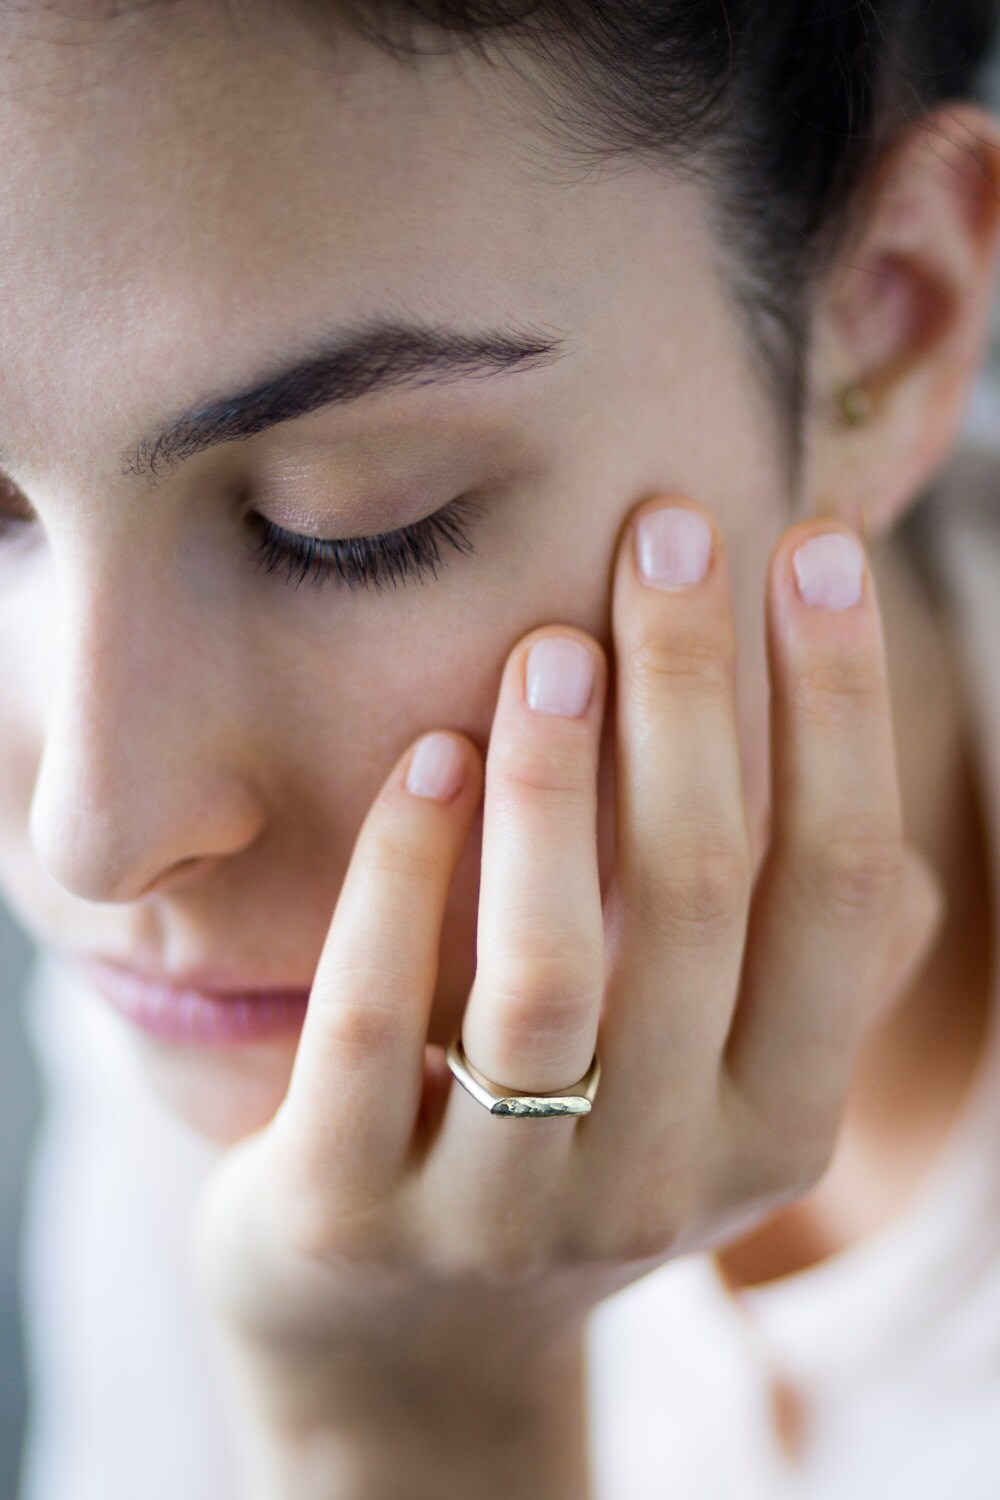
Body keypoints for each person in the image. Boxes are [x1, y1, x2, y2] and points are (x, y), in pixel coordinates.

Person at [2, 0, 1000, 1494]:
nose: (91, 835)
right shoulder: (231, 999)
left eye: (345, 525)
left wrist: (414, 1435)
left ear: (887, 317)